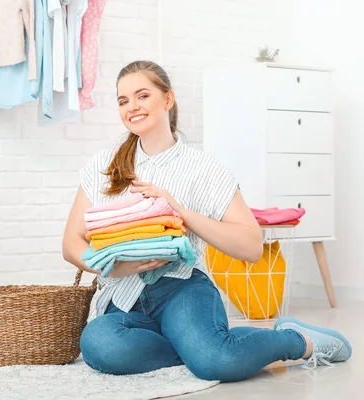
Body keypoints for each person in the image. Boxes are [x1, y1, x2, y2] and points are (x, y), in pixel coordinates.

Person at [62, 60, 351, 381]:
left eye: (142, 95)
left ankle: (296, 340)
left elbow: (251, 246)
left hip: (181, 290)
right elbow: (72, 242)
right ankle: (197, 346)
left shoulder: (204, 168)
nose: (132, 107)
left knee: (217, 362)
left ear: (167, 100)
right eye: (123, 100)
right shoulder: (104, 165)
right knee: (100, 346)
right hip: (122, 295)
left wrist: (179, 211)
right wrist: (116, 267)